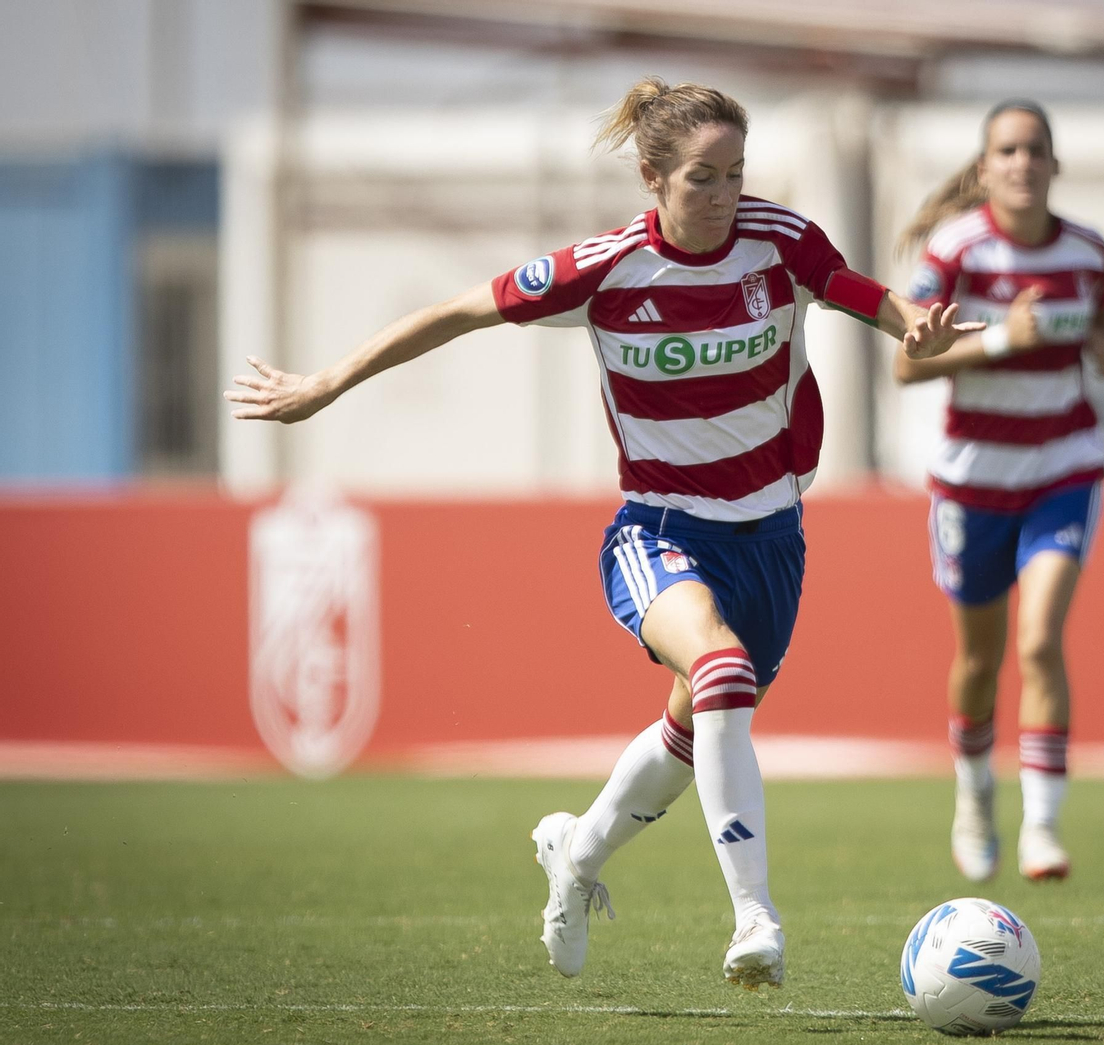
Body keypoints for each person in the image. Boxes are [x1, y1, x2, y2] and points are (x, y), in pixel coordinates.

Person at [225, 77, 977, 989]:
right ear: (653, 177)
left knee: (699, 725)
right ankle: (756, 917)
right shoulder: (608, 268)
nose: (725, 196)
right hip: (658, 527)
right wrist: (327, 383)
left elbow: (864, 295)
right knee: (722, 671)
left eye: (737, 174)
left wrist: (918, 327)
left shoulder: (780, 243)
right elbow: (459, 310)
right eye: (703, 177)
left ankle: (575, 856)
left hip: (772, 531)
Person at [892, 100, 1104, 883]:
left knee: (1039, 640)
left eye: (1036, 150)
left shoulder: (1089, 252)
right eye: (1008, 150)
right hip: (974, 478)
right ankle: (973, 796)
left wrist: (1101, 348)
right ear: (986, 166)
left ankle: (1045, 830)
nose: (1023, 163)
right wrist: (1000, 339)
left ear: (1055, 165)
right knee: (980, 659)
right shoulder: (956, 252)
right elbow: (904, 364)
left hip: (1063, 466)